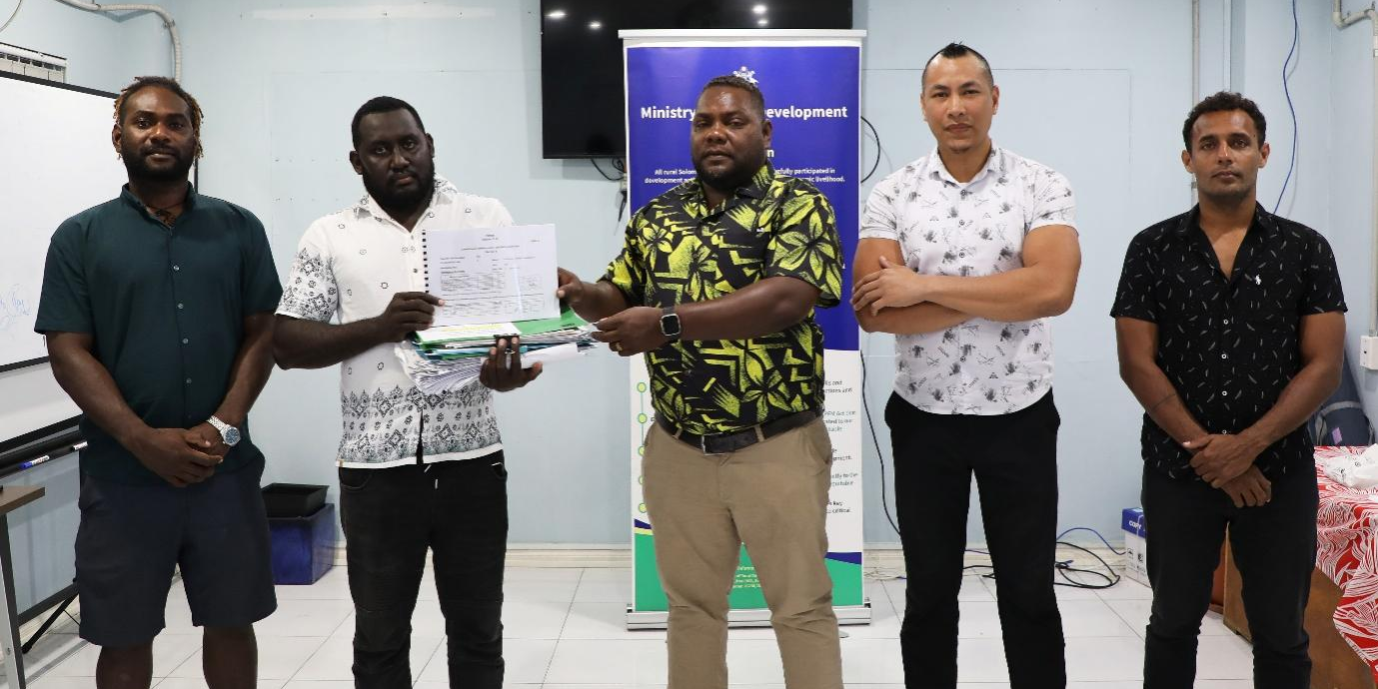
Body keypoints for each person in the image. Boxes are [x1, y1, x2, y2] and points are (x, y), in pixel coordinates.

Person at [557, 74, 845, 689]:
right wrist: (581, 294)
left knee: (800, 608)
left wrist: (665, 324)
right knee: (691, 611)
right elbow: (621, 293)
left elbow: (786, 300)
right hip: (679, 450)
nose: (716, 132)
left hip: (777, 446)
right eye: (704, 122)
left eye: (734, 121)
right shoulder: (657, 215)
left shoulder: (799, 204)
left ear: (765, 133)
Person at [273, 96, 539, 689]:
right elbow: (287, 345)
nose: (399, 159)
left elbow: (519, 331)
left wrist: (509, 370)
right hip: (376, 470)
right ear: (356, 160)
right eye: (380, 149)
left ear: (430, 145)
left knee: (478, 630)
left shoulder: (484, 217)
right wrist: (380, 325)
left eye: (409, 144)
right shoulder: (330, 234)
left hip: (472, 463)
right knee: (380, 637)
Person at [36, 76, 281, 689]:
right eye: (145, 122)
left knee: (232, 625)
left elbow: (264, 333)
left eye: (176, 122)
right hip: (123, 482)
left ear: (196, 139)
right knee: (122, 638)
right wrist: (142, 440)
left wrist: (223, 425)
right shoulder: (79, 238)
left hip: (223, 473)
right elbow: (68, 352)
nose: (161, 133)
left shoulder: (240, 229)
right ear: (118, 136)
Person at [852, 43, 1081, 689]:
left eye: (970, 91)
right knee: (928, 593)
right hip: (924, 418)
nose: (957, 107)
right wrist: (1003, 286)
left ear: (994, 99)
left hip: (1020, 415)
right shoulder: (893, 193)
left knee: (1029, 591)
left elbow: (1052, 291)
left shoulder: (1041, 183)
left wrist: (923, 286)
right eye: (941, 94)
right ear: (924, 107)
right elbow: (875, 310)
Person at [1112, 91, 1346, 689]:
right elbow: (1136, 364)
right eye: (1208, 144)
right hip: (1176, 471)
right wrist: (1213, 454)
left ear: (1262, 154)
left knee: (1282, 635)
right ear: (1187, 160)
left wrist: (1248, 446)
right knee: (1171, 626)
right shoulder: (1151, 249)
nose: (1224, 155)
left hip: (1279, 473)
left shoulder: (1306, 249)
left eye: (1238, 143)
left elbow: (1322, 365)